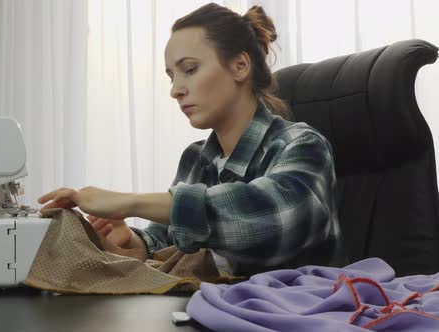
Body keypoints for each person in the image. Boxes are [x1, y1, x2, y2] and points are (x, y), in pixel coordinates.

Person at [38, 3, 344, 275]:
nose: (176, 90)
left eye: (190, 69)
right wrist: (130, 241)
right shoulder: (196, 157)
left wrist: (128, 202)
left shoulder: (302, 145)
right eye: (172, 76)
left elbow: (269, 218)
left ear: (240, 66)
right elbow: (168, 237)